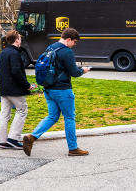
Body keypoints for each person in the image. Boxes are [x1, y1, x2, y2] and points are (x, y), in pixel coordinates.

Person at [22, 26, 91, 158]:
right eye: (75, 42)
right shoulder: (67, 52)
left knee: (52, 116)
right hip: (63, 90)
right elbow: (74, 72)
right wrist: (84, 70)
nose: (74, 45)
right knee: (69, 117)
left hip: (48, 89)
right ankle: (73, 148)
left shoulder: (51, 47)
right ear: (69, 39)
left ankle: (32, 137)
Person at [0, 30, 32, 150]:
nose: (20, 41)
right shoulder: (15, 54)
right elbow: (16, 72)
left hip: (4, 89)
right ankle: (13, 138)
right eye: (20, 39)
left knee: (4, 114)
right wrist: (27, 85)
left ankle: (2, 141)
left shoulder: (3, 53)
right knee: (22, 110)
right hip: (14, 89)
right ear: (17, 40)